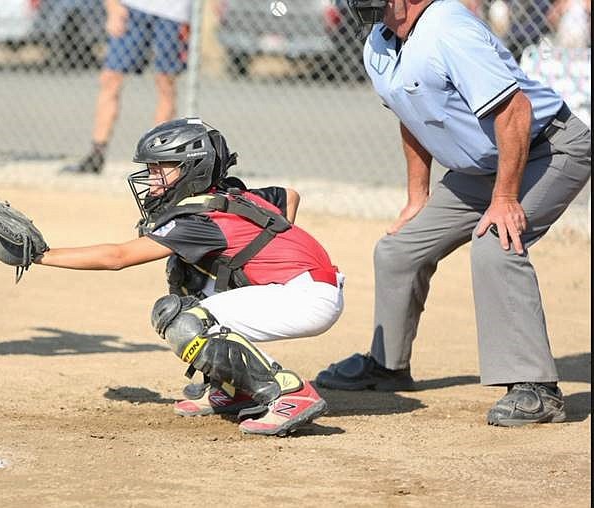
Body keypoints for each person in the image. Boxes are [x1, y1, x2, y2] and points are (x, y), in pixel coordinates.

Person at [317, 0, 591, 426]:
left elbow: (515, 111)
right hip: (481, 169)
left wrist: (505, 198)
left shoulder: (448, 29)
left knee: (496, 244)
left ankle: (536, 388)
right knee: (399, 251)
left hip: (548, 149)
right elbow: (410, 112)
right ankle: (388, 366)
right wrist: (417, 195)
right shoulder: (379, 42)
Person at [37, 118, 344, 435]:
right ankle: (237, 388)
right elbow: (289, 195)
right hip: (308, 287)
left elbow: (118, 257)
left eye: (161, 168)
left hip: (306, 297)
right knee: (185, 274)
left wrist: (42, 255)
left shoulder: (199, 219)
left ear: (192, 168)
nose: (151, 177)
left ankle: (288, 392)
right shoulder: (230, 195)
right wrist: (259, 262)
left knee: (183, 320)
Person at [61, 0, 192, 175]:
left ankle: (159, 158)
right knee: (110, 78)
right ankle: (96, 154)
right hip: (133, 9)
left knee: (165, 84)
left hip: (173, 13)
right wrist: (112, 6)